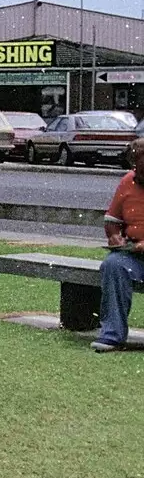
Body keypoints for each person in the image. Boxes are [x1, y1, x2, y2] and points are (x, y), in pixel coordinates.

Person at [93, 137, 144, 352]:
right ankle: (112, 335)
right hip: (134, 254)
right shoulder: (128, 181)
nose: (139, 176)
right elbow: (112, 221)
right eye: (137, 170)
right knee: (113, 265)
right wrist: (114, 236)